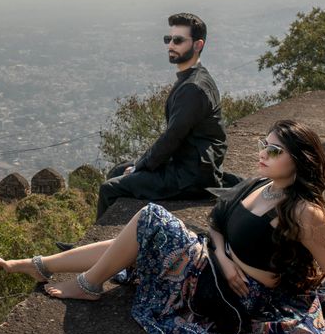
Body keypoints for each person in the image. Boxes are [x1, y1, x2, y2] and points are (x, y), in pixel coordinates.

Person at [0, 119, 325, 334]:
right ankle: (42, 265)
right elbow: (217, 226)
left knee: (149, 221)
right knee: (144, 234)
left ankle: (87, 284)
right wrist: (220, 253)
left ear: (299, 160)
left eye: (275, 151)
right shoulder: (260, 185)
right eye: (264, 144)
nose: (263, 153)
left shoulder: (305, 211)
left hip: (240, 296)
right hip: (214, 266)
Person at [96, 13, 229, 221]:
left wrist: (140, 166)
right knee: (119, 171)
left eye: (178, 40)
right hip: (189, 166)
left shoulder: (193, 88)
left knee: (109, 189)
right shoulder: (194, 78)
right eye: (169, 39)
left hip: (190, 177)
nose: (171, 45)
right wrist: (139, 165)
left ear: (197, 45)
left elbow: (172, 137)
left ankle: (103, 250)